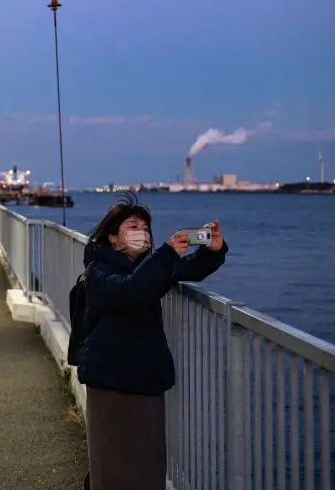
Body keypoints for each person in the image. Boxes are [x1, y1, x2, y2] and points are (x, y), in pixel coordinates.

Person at [74, 193, 228, 490]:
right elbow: (128, 292)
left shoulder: (148, 268)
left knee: (148, 460)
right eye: (133, 227)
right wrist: (167, 254)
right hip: (110, 378)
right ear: (113, 238)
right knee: (112, 458)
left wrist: (213, 251)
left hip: (145, 376)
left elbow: (188, 270)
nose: (142, 233)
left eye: (145, 228)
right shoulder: (98, 271)